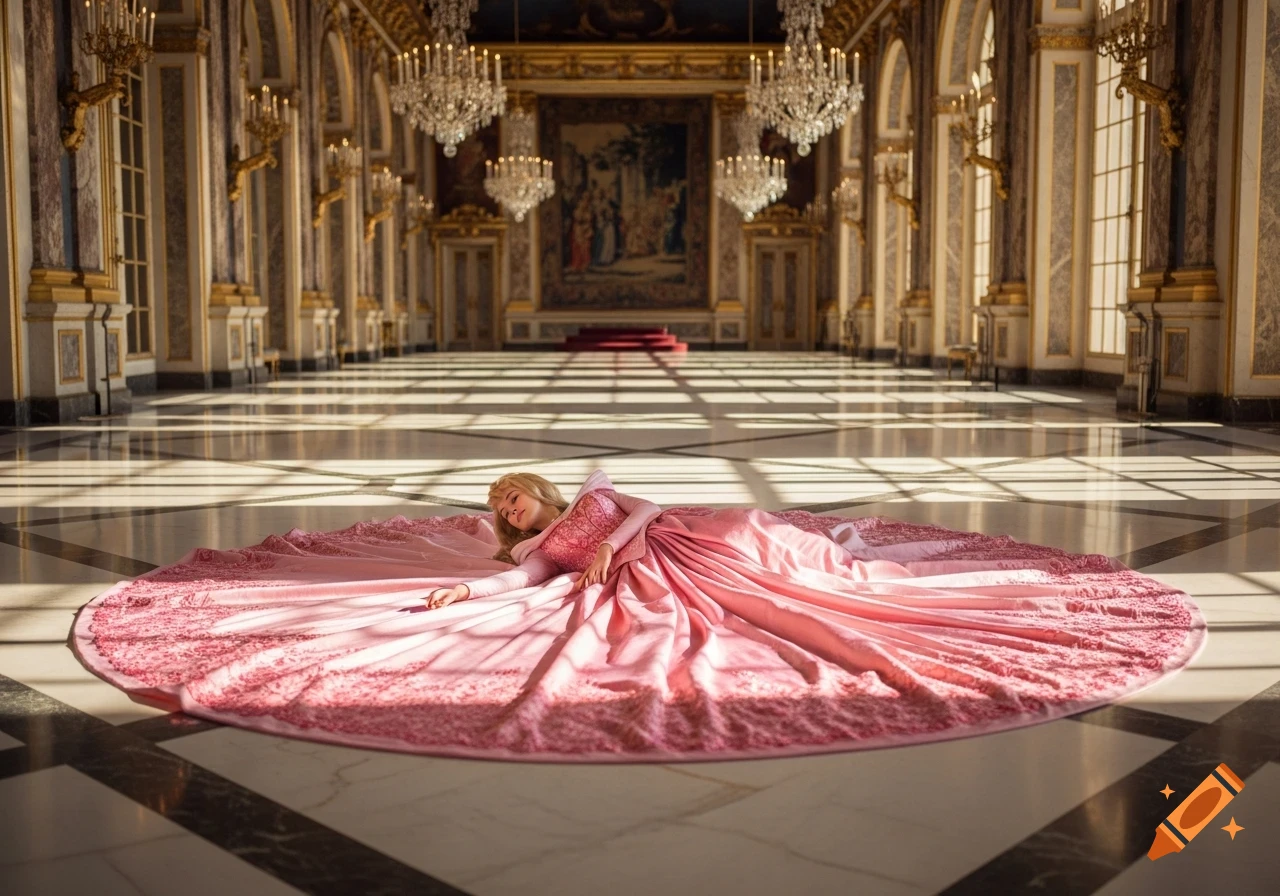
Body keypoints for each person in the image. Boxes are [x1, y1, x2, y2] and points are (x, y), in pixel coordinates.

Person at [73, 468, 1204, 761]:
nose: (507, 508)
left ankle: (824, 561)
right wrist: (468, 583)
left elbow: (647, 507)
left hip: (689, 533)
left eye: (513, 496)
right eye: (497, 507)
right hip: (651, 564)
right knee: (778, 595)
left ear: (536, 487)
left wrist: (607, 541)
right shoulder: (526, 544)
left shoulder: (587, 500)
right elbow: (535, 586)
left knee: (798, 552)